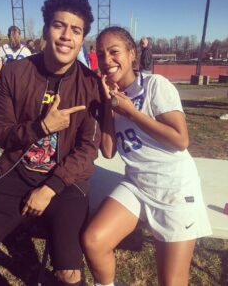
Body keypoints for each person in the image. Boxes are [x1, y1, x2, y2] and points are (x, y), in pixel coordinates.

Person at [0, 0, 101, 286]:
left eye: (76, 30)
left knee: (69, 273)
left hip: (65, 181)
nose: (67, 35)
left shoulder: (91, 84)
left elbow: (87, 149)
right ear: (45, 29)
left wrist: (51, 188)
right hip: (19, 172)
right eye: (59, 25)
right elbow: (0, 133)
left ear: (82, 39)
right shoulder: (15, 73)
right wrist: (41, 127)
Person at [83, 26, 212, 286]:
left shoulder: (155, 85)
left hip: (173, 189)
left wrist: (132, 113)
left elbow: (181, 140)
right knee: (94, 241)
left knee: (172, 282)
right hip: (137, 185)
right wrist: (109, 104)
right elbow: (108, 151)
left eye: (114, 51)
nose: (107, 60)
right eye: (101, 54)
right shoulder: (113, 98)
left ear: (132, 54)